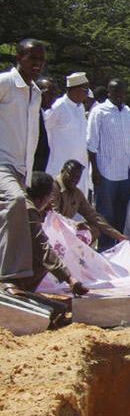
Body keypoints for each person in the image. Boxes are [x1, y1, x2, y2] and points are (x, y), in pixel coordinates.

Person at [0, 39, 45, 285]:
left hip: (20, 168)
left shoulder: (36, 93)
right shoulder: (5, 83)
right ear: (19, 58)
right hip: (2, 163)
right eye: (32, 58)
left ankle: (30, 282)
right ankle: (11, 278)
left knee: (31, 221)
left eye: (41, 60)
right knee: (15, 201)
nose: (37, 63)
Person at [9, 172, 88, 295]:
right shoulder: (29, 211)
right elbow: (42, 248)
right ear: (43, 198)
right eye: (49, 198)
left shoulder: (14, 199)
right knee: (44, 262)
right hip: (7, 267)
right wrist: (69, 278)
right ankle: (19, 287)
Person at [87, 78, 130, 249]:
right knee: (105, 213)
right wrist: (95, 170)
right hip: (106, 172)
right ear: (109, 92)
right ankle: (105, 249)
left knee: (124, 213)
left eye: (122, 91)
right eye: (115, 91)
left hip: (126, 171)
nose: (119, 95)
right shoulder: (99, 112)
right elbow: (91, 144)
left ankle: (122, 248)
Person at [52, 160, 126, 245]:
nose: (74, 179)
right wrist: (74, 225)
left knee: (94, 229)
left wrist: (118, 236)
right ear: (62, 171)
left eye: (77, 177)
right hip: (51, 231)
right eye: (70, 174)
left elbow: (94, 216)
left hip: (67, 229)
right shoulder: (52, 188)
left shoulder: (77, 193)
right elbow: (53, 216)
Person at [44, 72, 91, 195]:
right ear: (75, 90)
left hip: (79, 166)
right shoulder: (59, 106)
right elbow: (44, 129)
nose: (87, 94)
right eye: (85, 90)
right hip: (61, 165)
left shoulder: (80, 108)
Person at [33, 77, 57, 172]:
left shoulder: (42, 114)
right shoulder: (30, 114)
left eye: (54, 94)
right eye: (49, 94)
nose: (53, 98)